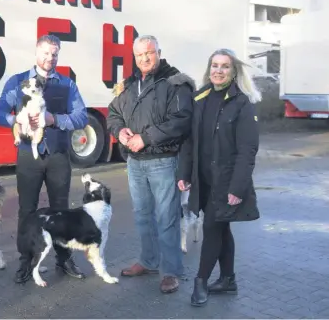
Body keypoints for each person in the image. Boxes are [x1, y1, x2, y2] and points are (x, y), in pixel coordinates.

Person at [0, 34, 89, 284]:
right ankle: (26, 261)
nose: (50, 58)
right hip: (28, 156)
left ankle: (64, 258)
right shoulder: (17, 82)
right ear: (37, 52)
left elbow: (81, 117)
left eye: (55, 53)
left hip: (58, 156)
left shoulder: (68, 84)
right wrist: (17, 120)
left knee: (61, 210)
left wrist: (54, 120)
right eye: (46, 52)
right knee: (27, 210)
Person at [106, 35, 195, 294]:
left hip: (164, 161)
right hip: (135, 163)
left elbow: (181, 120)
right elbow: (113, 114)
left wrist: (145, 138)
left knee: (167, 218)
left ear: (159, 52)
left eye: (149, 53)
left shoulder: (175, 82)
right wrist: (120, 131)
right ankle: (149, 261)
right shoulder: (130, 84)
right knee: (143, 216)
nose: (144, 58)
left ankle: (171, 272)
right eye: (139, 55)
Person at [176, 48, 261, 307]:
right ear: (209, 68)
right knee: (222, 227)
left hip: (226, 182)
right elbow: (190, 140)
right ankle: (228, 279)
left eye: (225, 66)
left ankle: (200, 280)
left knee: (213, 227)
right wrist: (184, 173)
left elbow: (248, 150)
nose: (219, 71)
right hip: (203, 180)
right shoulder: (200, 96)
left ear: (233, 70)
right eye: (215, 65)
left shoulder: (242, 102)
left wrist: (238, 187)